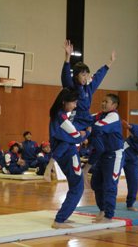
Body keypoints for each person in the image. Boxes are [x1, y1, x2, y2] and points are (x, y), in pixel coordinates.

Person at [48, 88, 91, 229]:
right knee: (78, 187)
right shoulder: (61, 117)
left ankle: (63, 217)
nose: (75, 106)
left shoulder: (57, 116)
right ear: (64, 101)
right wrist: (86, 133)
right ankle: (59, 220)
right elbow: (76, 137)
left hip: (64, 154)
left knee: (75, 185)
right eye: (73, 102)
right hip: (68, 155)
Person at [61, 40, 116, 129]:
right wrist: (67, 57)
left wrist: (110, 62)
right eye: (83, 75)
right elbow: (65, 75)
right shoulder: (70, 86)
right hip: (74, 120)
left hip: (87, 120)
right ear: (76, 75)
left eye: (87, 75)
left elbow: (99, 76)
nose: (86, 77)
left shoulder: (88, 87)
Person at [89, 94, 124, 223]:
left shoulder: (113, 116)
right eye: (102, 101)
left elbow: (98, 127)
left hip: (114, 155)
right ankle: (102, 210)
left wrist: (87, 129)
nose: (103, 103)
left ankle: (109, 215)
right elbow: (86, 119)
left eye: (106, 101)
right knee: (96, 183)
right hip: (102, 154)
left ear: (114, 105)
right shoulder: (99, 115)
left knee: (109, 185)